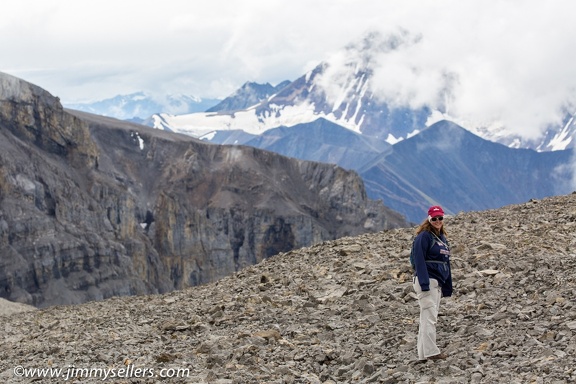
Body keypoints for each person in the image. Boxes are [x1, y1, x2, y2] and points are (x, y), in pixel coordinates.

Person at [412, 205, 453, 361]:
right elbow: (419, 260)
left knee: (426, 317)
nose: (438, 221)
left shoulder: (442, 239)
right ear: (429, 219)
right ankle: (431, 352)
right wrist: (424, 283)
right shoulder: (424, 237)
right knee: (430, 317)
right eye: (434, 218)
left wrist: (448, 287)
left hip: (437, 283)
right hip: (427, 281)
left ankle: (422, 355)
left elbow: (446, 263)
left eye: (440, 218)